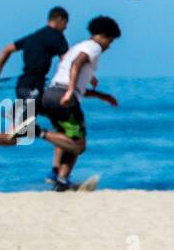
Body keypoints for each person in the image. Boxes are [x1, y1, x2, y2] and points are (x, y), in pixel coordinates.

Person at [38, 15, 121, 190]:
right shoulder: (94, 47)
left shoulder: (77, 46)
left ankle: (59, 178)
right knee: (78, 145)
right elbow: (77, 65)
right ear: (102, 35)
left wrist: (101, 95)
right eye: (110, 41)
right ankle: (36, 132)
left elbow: (74, 82)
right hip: (63, 96)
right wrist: (69, 92)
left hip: (50, 94)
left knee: (65, 135)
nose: (109, 46)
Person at [0, 6, 70, 109]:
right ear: (60, 20)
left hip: (23, 84)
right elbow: (67, 61)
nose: (66, 27)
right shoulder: (58, 37)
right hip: (35, 85)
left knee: (31, 115)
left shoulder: (33, 37)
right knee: (36, 109)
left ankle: (16, 115)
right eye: (66, 23)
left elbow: (6, 49)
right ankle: (15, 114)